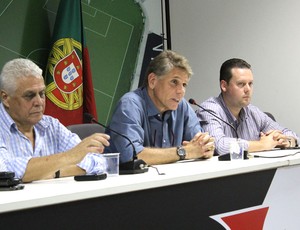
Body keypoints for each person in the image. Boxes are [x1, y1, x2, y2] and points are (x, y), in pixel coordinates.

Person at [0, 58, 110, 182]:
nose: (39, 102)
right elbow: (5, 173)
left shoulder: (51, 125)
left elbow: (99, 162)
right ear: (5, 98)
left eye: (42, 94)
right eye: (29, 96)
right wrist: (69, 157)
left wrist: (56, 173)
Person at [105, 50, 215, 165]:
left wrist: (206, 148)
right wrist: (183, 152)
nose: (181, 91)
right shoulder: (130, 104)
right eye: (174, 82)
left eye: (184, 85)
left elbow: (201, 146)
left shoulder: (181, 106)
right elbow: (131, 156)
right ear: (152, 81)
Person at [196, 58, 299, 155]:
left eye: (250, 84)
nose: (248, 89)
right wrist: (262, 145)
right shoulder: (209, 110)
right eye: (241, 84)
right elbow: (218, 145)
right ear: (224, 86)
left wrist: (288, 140)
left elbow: (289, 133)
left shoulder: (253, 112)